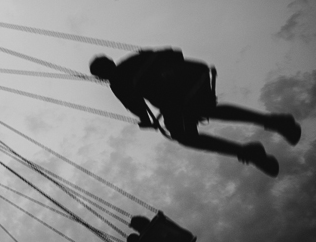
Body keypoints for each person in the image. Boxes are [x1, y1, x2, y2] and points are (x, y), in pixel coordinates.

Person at [90, 49, 301, 177]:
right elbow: (176, 53)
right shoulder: (135, 58)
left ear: (101, 77)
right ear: (110, 61)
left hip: (177, 97)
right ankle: (274, 122)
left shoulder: (118, 83)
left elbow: (138, 108)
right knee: (207, 109)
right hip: (194, 78)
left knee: (185, 136)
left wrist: (147, 121)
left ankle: (248, 151)